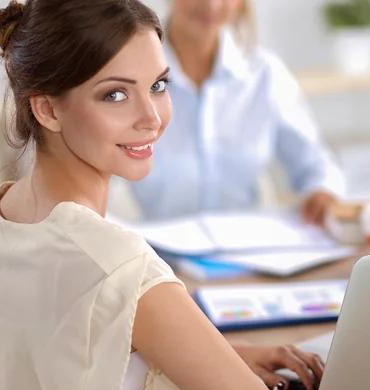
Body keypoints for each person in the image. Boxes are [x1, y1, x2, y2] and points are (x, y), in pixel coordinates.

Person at [0, 1, 324, 390]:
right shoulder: (121, 267)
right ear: (48, 109)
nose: (151, 118)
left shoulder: (4, 213)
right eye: (115, 94)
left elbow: (56, 348)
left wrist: (215, 357)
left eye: (158, 85)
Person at [121, 0, 345, 225]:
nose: (212, 5)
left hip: (250, 249)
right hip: (155, 254)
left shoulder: (265, 74)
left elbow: (317, 166)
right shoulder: (126, 75)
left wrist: (322, 191)